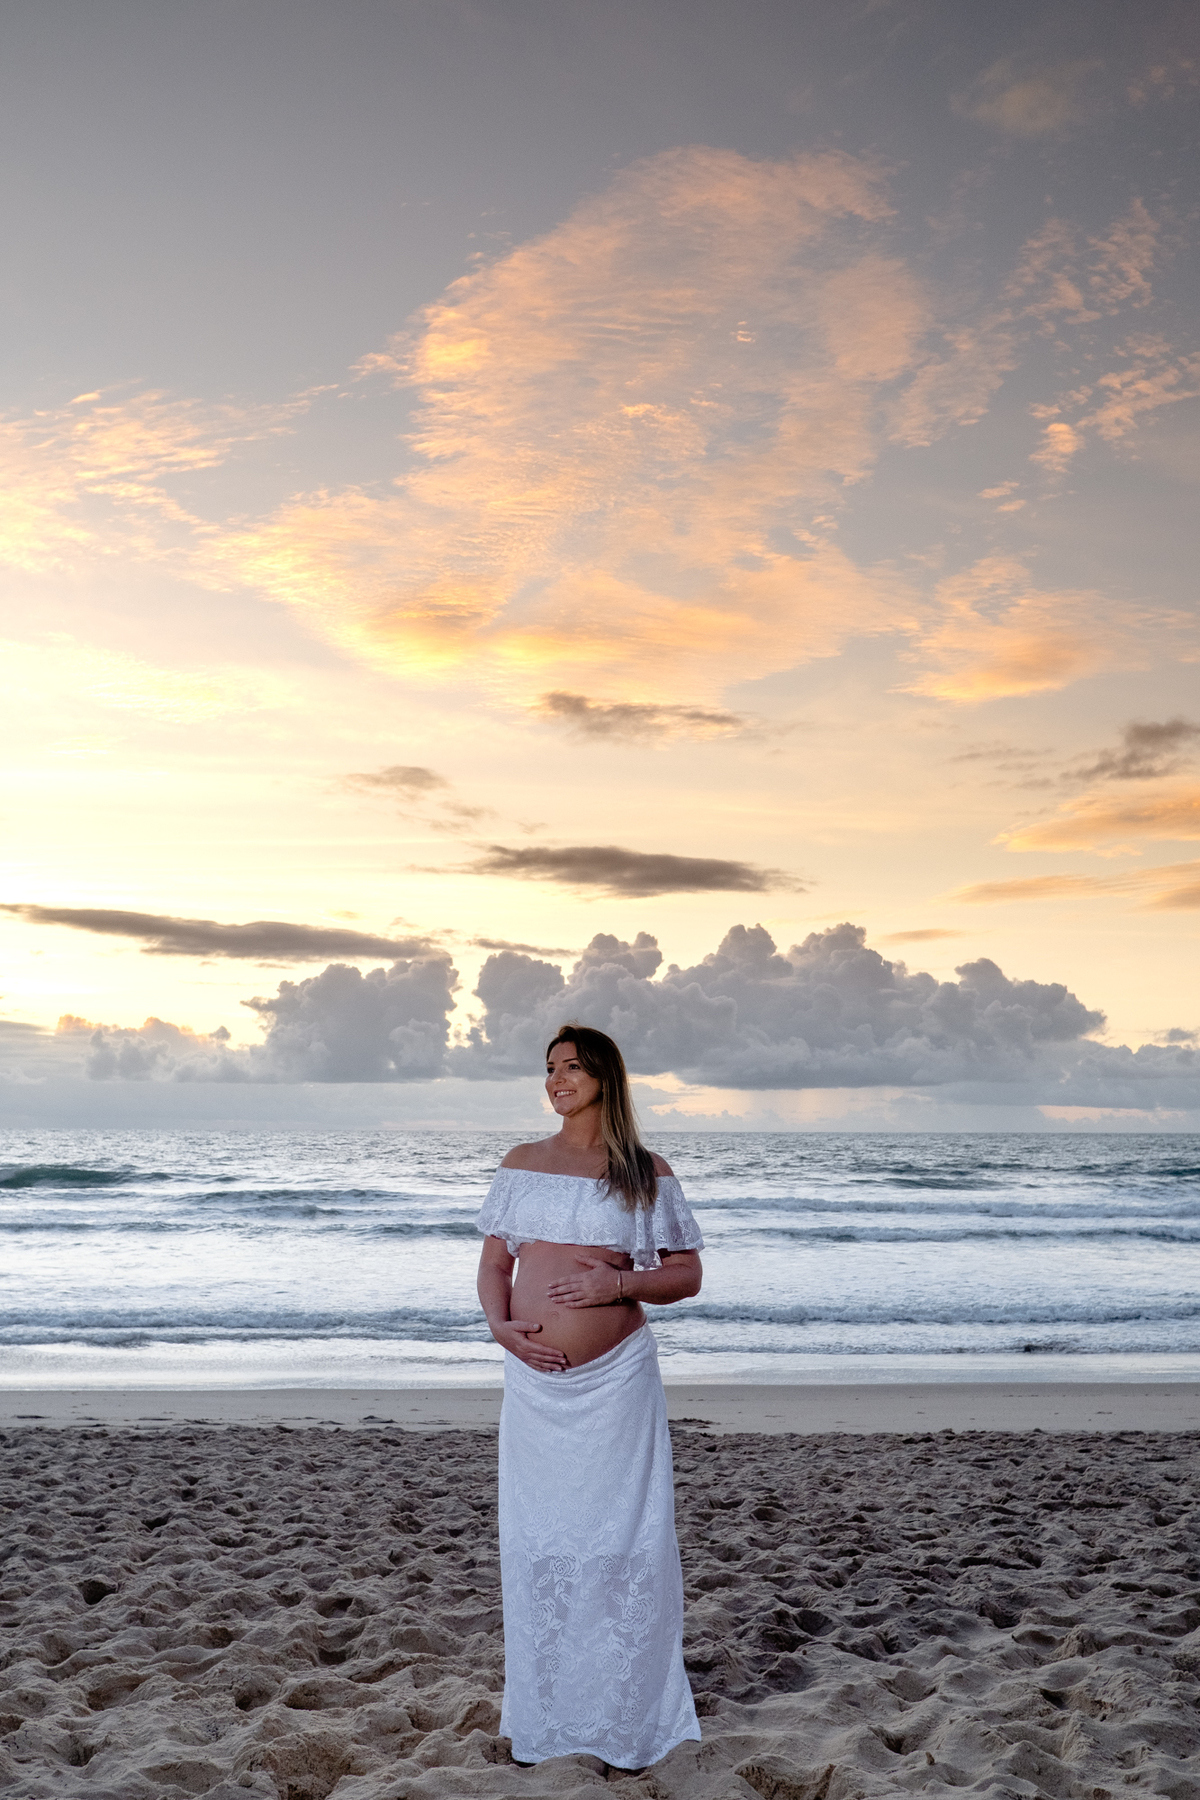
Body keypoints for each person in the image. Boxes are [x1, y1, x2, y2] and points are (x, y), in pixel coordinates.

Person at [476, 1023, 705, 1771]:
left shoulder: (643, 1171)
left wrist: (618, 1283)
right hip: (534, 1388)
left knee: (621, 1538)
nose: (556, 1079)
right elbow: (492, 1265)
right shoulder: (522, 1163)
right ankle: (549, 1708)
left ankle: (628, 1714)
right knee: (540, 1539)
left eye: (571, 1067)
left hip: (617, 1386)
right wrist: (503, 1329)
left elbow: (685, 1275)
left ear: (605, 1075)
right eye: (549, 1069)